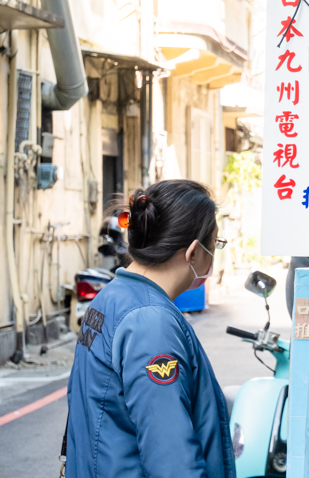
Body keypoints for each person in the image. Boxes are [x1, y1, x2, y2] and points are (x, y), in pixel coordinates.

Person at [65, 180, 235, 478]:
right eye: (215, 243)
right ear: (194, 252)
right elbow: (171, 460)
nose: (214, 253)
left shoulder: (111, 296)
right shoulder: (151, 322)